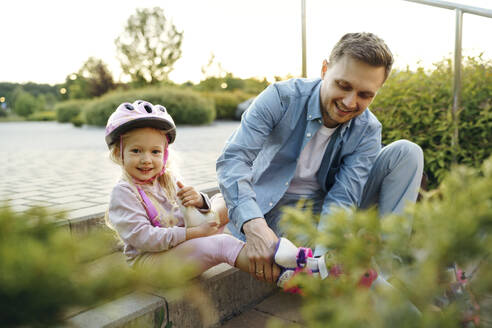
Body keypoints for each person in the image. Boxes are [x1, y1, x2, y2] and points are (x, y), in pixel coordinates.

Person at [216, 32, 424, 286]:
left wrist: (329, 247)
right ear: (325, 69)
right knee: (329, 260)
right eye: (344, 86)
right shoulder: (281, 98)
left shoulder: (368, 128)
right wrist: (254, 225)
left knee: (407, 152)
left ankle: (390, 269)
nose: (350, 102)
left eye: (365, 95)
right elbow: (233, 159)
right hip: (278, 209)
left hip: (329, 203)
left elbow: (344, 196)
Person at [105, 100, 251, 276]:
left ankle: (270, 249)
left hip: (181, 246)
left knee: (224, 200)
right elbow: (144, 237)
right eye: (136, 151)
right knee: (222, 244)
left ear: (165, 154)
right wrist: (193, 233)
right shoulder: (124, 192)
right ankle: (279, 272)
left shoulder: (167, 180)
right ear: (118, 154)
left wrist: (198, 201)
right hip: (150, 263)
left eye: (155, 151)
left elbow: (192, 212)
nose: (146, 159)